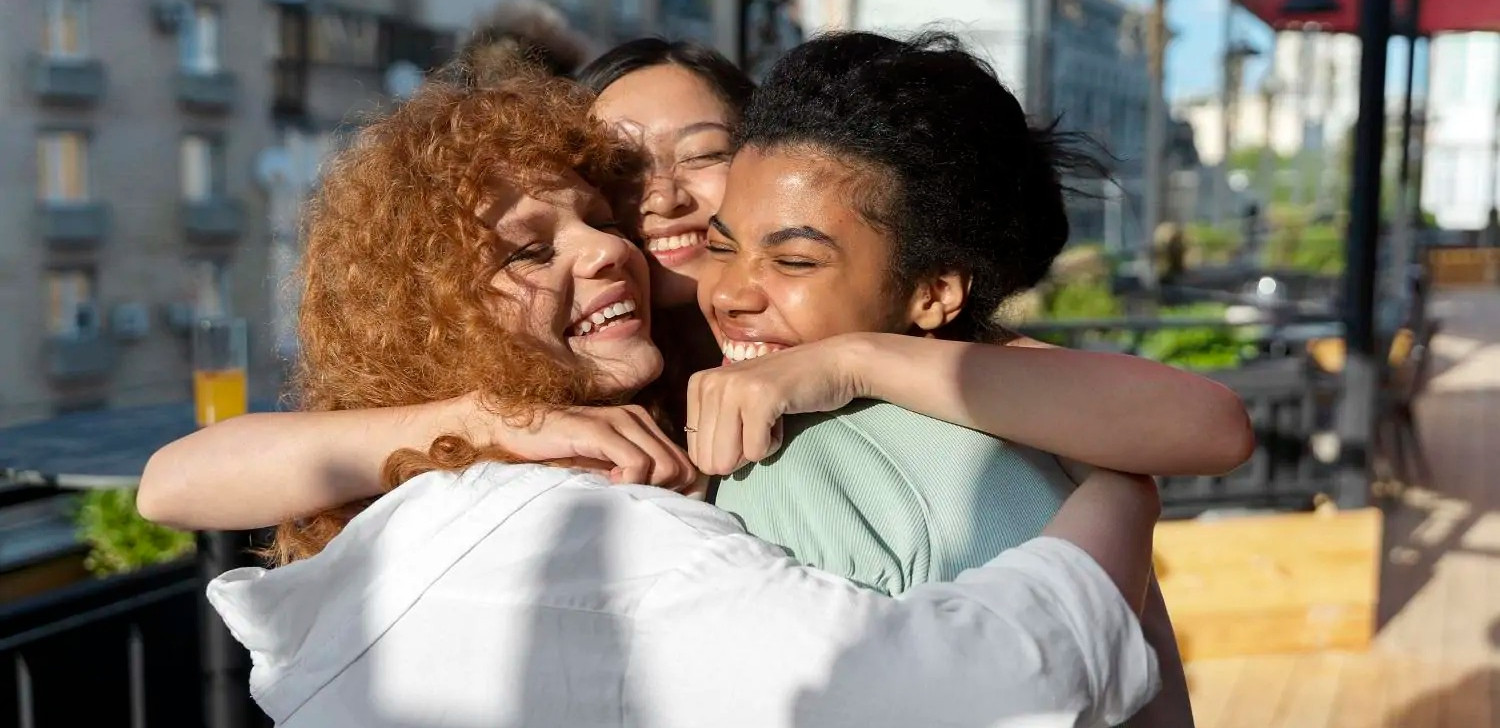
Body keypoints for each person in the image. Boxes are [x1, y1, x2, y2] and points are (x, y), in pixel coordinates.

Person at [190, 64, 1161, 726]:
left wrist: (858, 360)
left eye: (704, 154)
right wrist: (484, 419)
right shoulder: (559, 498)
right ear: (431, 308)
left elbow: (1192, 418)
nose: (634, 221)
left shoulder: (922, 400)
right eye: (620, 177)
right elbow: (181, 479)